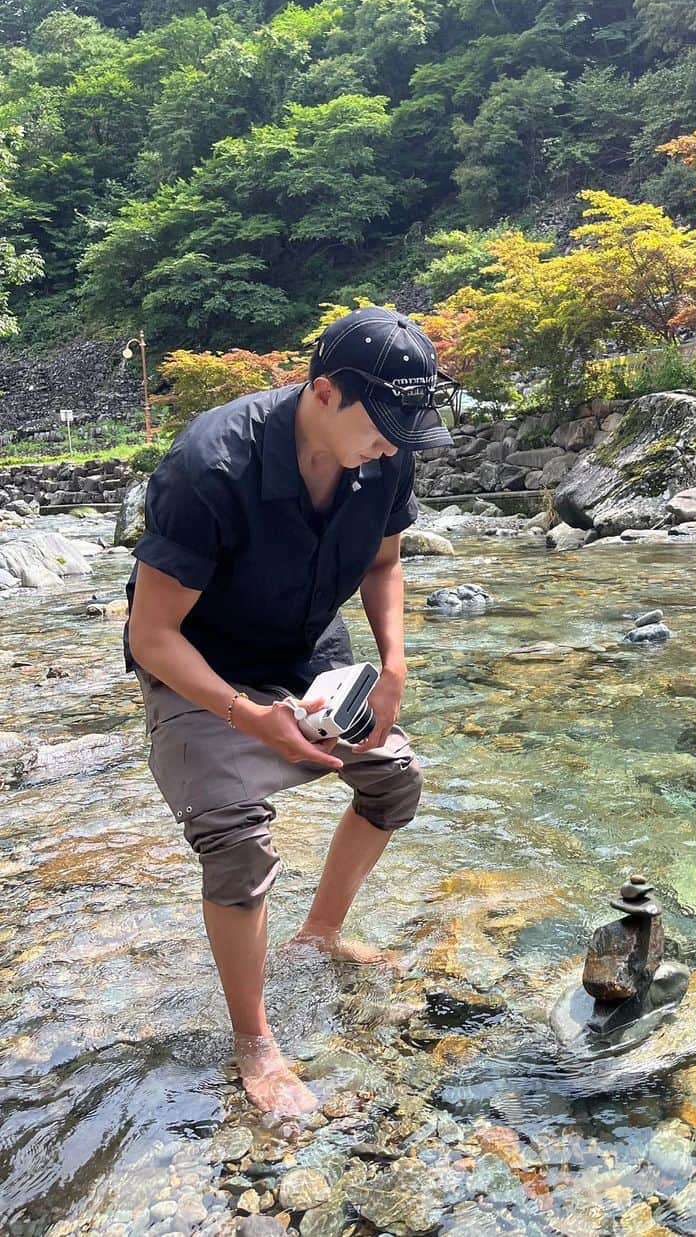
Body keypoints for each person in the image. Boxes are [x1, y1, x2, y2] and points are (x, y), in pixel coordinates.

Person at [124, 306, 454, 1115]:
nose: (393, 444)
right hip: (202, 661)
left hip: (306, 646)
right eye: (382, 425)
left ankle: (322, 933)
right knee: (235, 837)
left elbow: (383, 561)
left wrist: (395, 662)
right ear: (324, 391)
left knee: (395, 777)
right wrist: (245, 716)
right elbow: (153, 633)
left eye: (407, 431)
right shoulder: (210, 466)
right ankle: (254, 1041)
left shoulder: (387, 455)